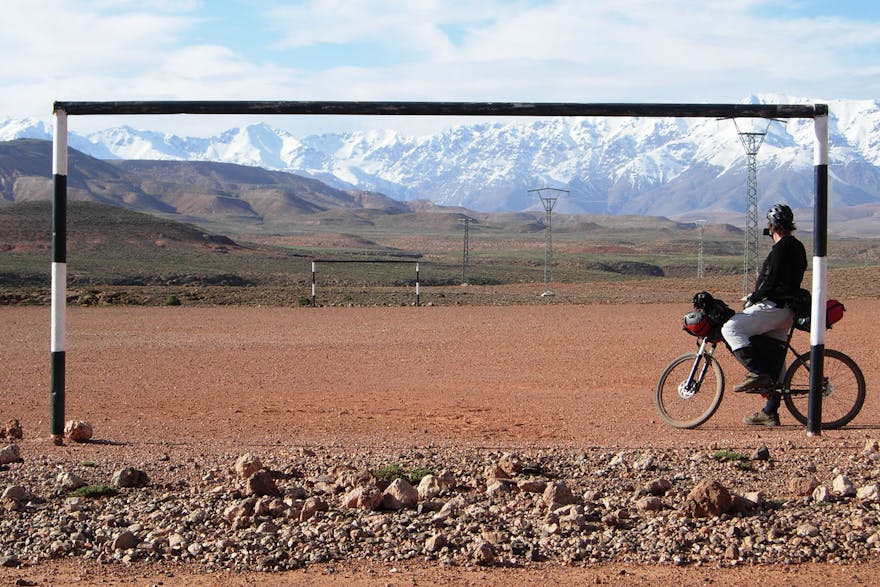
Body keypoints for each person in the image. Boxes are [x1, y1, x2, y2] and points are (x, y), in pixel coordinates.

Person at [721, 203, 808, 427]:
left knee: (730, 328)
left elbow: (772, 280)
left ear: (772, 226)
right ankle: (770, 412)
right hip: (788, 311)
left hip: (774, 307)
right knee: (775, 359)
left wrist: (754, 297)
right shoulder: (798, 246)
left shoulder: (781, 248)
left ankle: (756, 373)